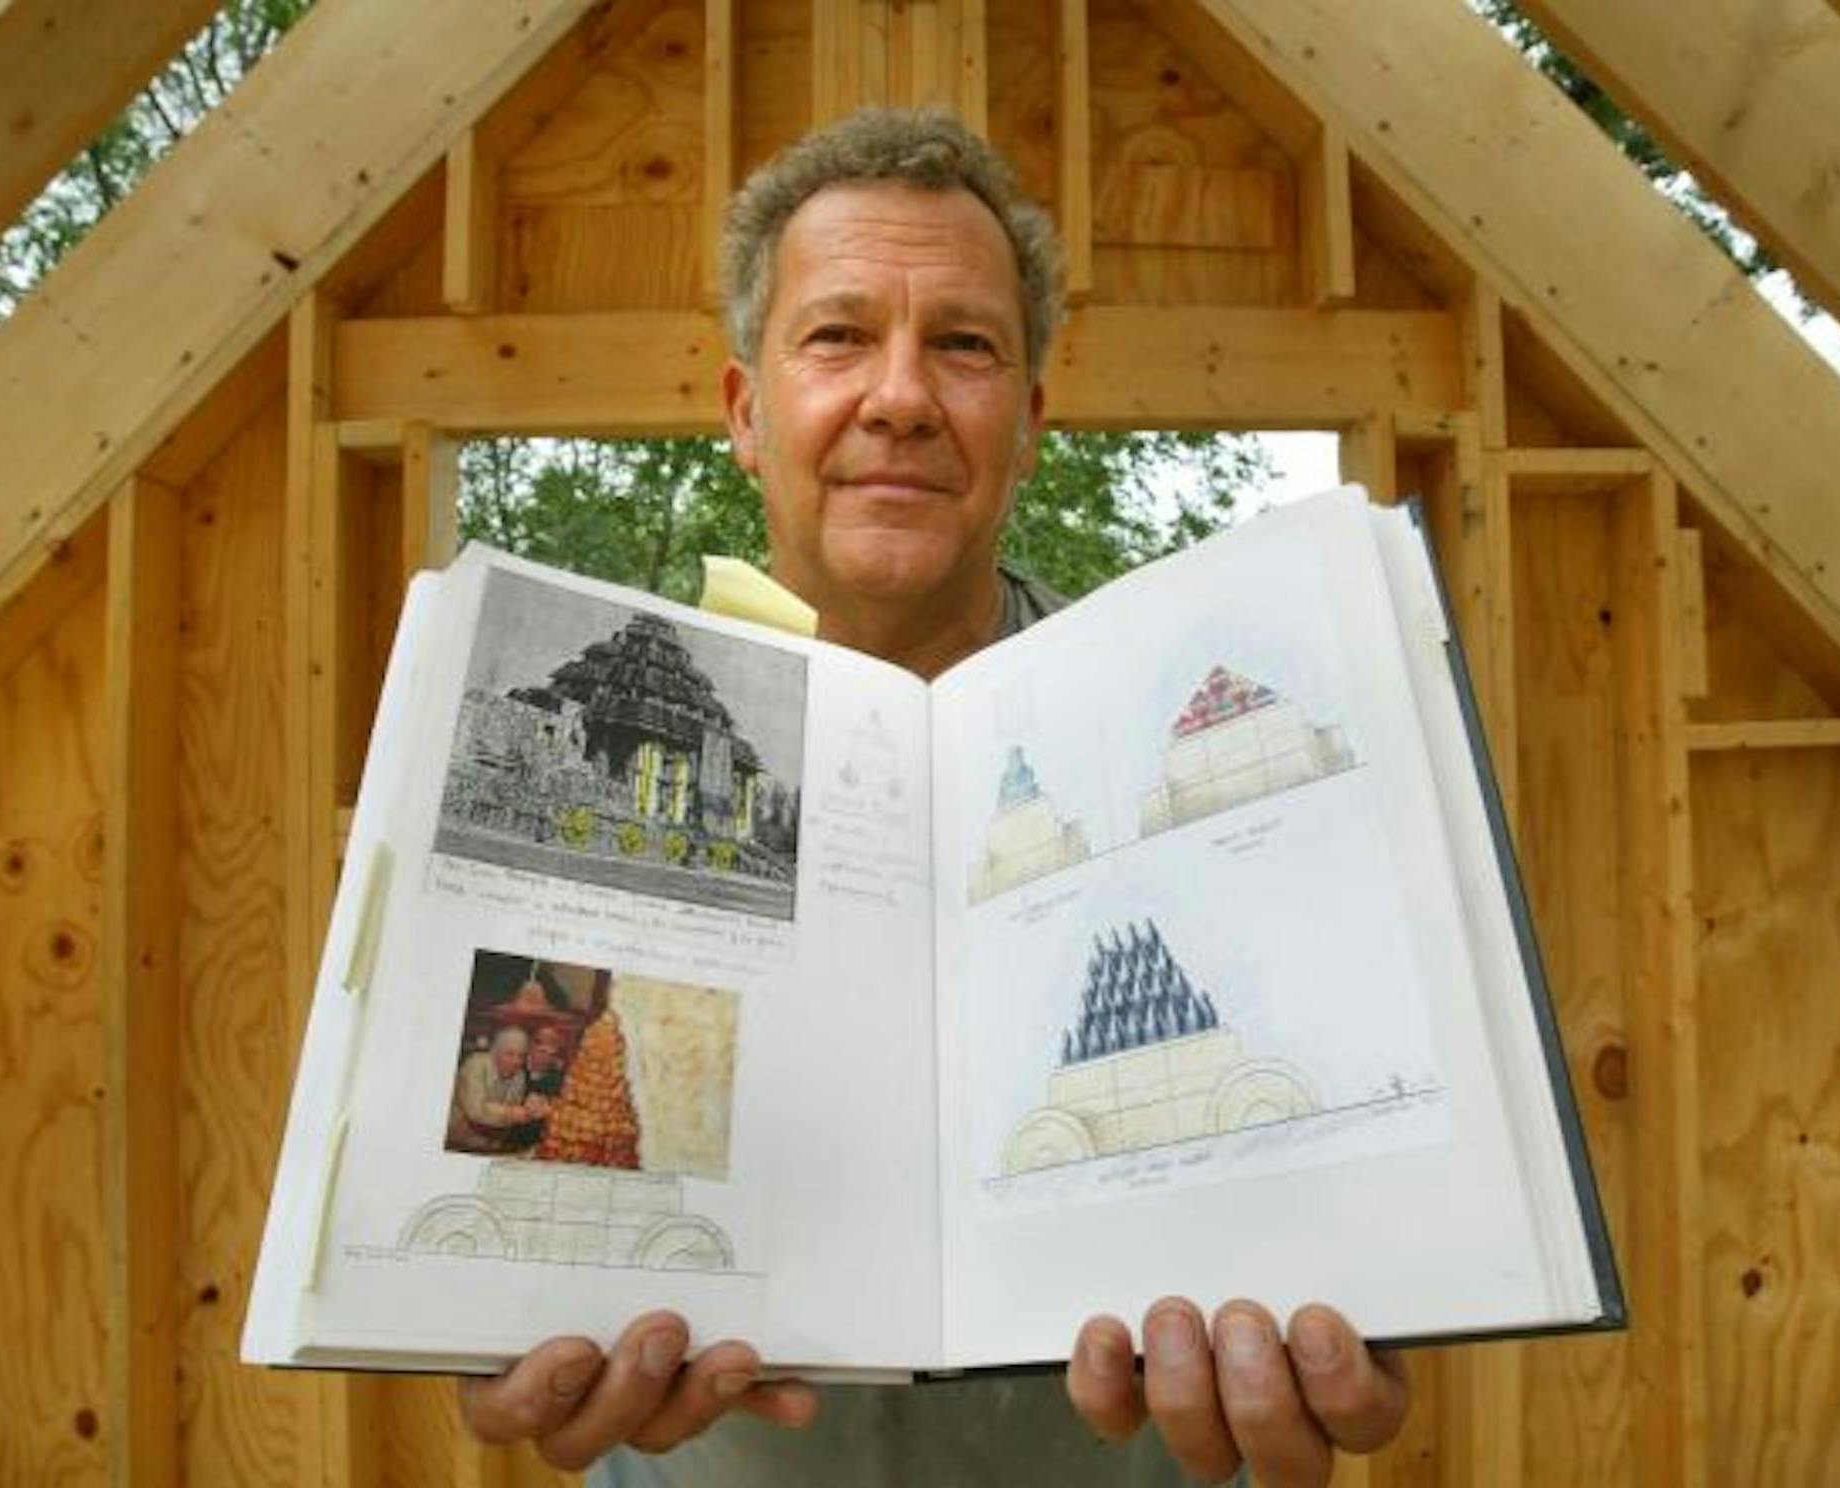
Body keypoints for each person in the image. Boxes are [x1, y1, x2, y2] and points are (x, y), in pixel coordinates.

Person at [459, 107, 1409, 1486]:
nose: (899, 395)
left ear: (1026, 422)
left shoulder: (1167, 755)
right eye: (838, 336)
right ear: (744, 411)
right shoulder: (591, 755)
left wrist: (1377, 1309)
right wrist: (477, 1331)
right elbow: (500, 1151)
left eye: (962, 344)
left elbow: (1353, 1171)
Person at [447, 1024, 551, 1154]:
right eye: (510, 1054)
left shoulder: (520, 1075)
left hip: (491, 1146)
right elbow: (475, 1110)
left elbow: (517, 1110)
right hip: (456, 1143)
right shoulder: (475, 1065)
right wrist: (511, 1113)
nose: (516, 1061)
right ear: (494, 1052)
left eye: (521, 1056)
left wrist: (532, 1108)